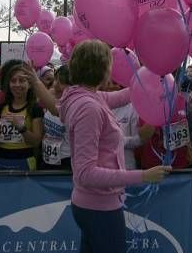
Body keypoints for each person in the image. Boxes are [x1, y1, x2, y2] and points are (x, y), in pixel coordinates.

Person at [58, 40, 170, 253]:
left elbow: (123, 96)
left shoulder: (86, 96)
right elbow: (85, 172)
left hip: (94, 204)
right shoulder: (88, 107)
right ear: (103, 68)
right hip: (98, 207)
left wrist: (151, 75)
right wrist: (142, 176)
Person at [0, 64, 44, 170]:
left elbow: (36, 142)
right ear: (8, 84)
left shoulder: (35, 108)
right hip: (0, 159)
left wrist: (21, 128)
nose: (17, 84)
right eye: (13, 81)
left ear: (30, 84)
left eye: (22, 80)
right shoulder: (1, 107)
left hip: (24, 161)